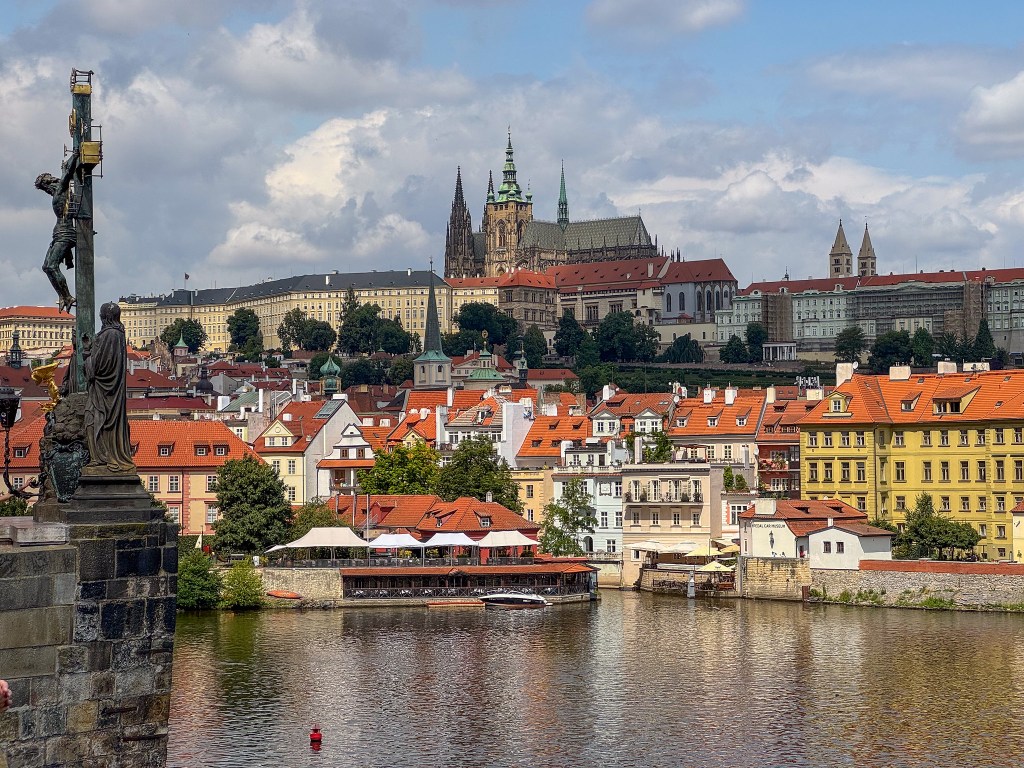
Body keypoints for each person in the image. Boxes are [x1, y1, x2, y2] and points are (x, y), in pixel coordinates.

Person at [82, 302, 135, 474]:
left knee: (91, 420)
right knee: (96, 421)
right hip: (112, 390)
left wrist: (87, 353)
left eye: (101, 314)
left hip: (102, 392)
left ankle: (99, 458)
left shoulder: (107, 335)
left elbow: (96, 368)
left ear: (105, 316)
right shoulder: (119, 334)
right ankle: (104, 457)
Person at [34, 150, 80, 313]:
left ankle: (67, 296)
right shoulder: (60, 191)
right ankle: (63, 295)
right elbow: (65, 172)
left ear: (49, 183)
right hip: (59, 233)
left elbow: (67, 172)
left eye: (45, 186)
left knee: (52, 266)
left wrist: (75, 155)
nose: (47, 189)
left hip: (65, 233)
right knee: (46, 266)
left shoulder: (61, 190)